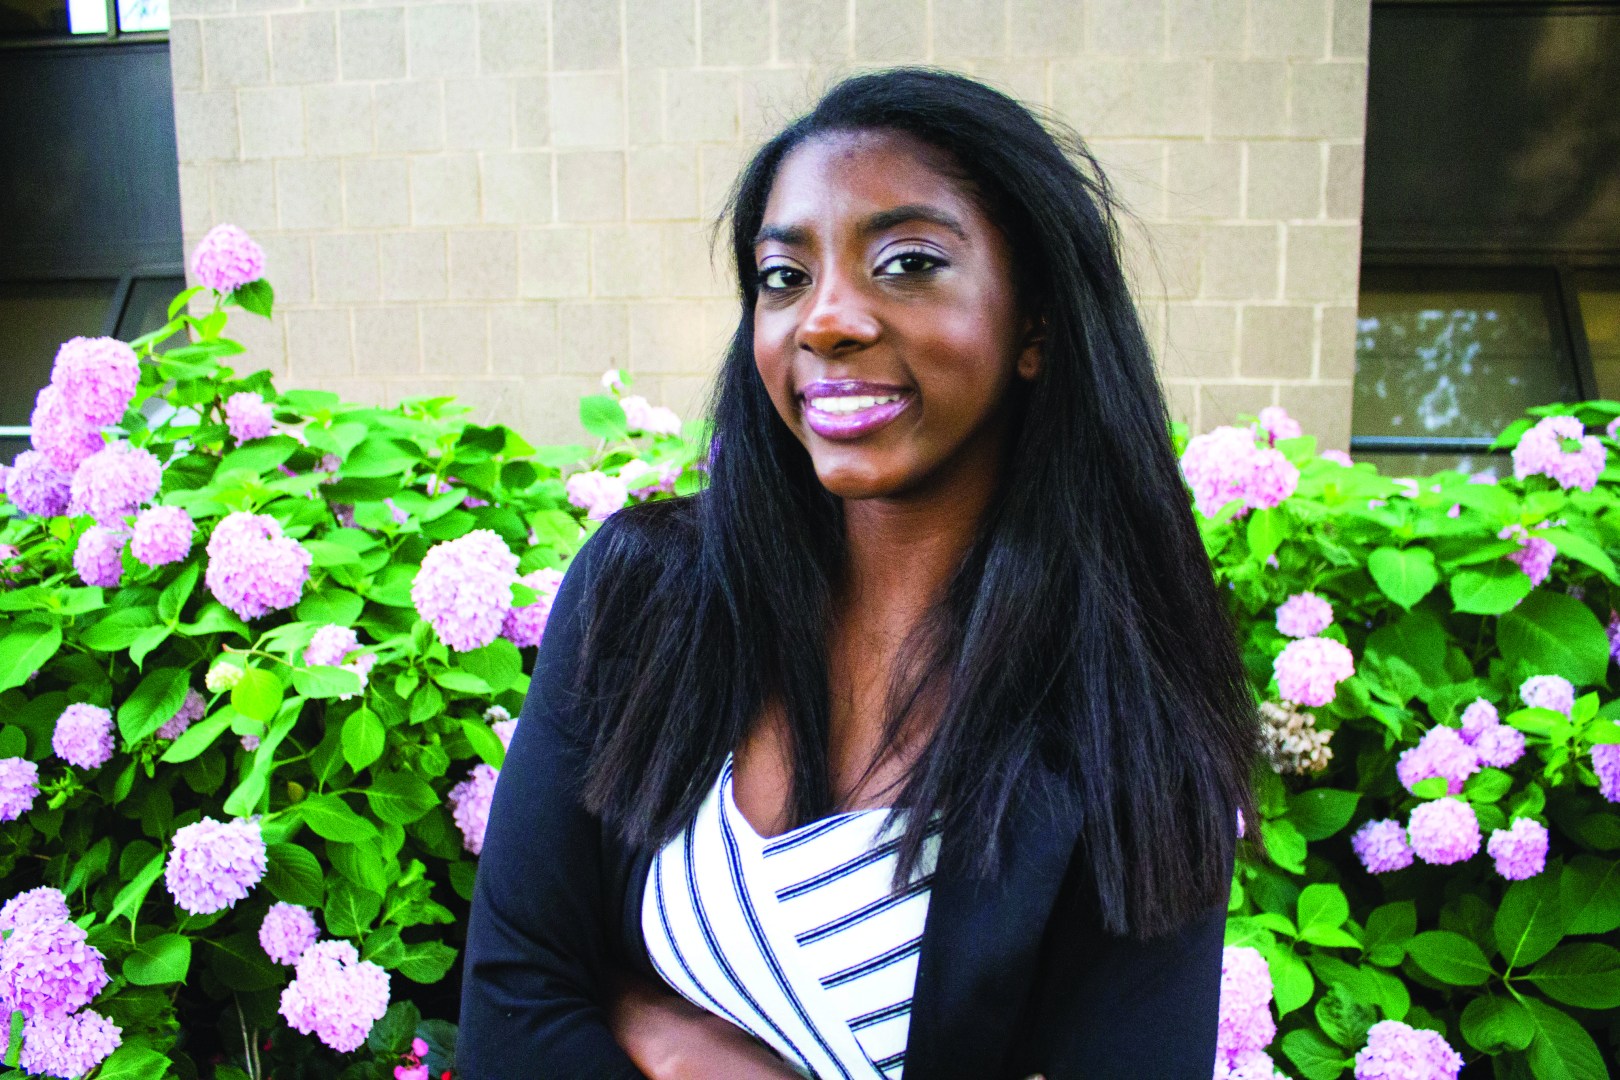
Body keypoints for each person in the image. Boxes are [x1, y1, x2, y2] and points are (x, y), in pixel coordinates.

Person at [458, 67, 1261, 1079]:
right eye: (783, 276)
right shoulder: (643, 596)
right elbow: (512, 1001)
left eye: (908, 262)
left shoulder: (1125, 726)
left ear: (1036, 325)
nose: (826, 319)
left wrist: (671, 1036)